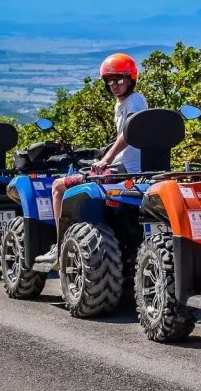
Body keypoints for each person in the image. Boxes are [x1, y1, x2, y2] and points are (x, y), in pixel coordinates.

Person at [34, 53, 148, 269]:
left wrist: (106, 159)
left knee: (58, 187)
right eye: (110, 80)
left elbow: (128, 134)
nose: (114, 84)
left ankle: (60, 246)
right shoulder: (123, 103)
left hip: (121, 171)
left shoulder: (135, 100)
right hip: (124, 167)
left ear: (131, 78)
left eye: (120, 79)